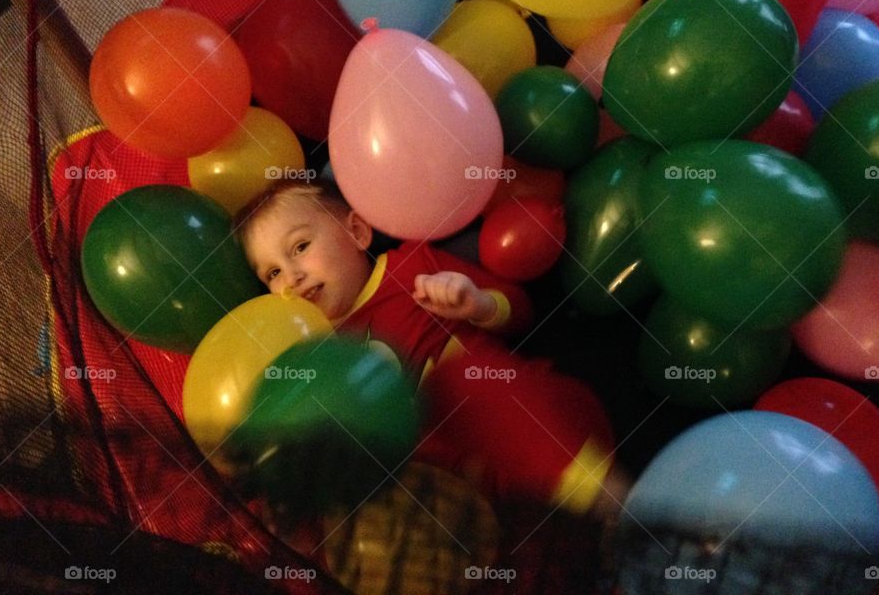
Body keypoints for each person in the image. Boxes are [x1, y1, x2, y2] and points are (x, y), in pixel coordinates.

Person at [233, 179, 630, 520]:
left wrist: (478, 304)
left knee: (458, 383)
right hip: (459, 499)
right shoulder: (312, 350)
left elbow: (521, 312)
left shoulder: (411, 266)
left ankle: (620, 507)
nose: (292, 277)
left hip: (546, 433)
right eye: (272, 273)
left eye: (300, 247)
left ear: (356, 231)